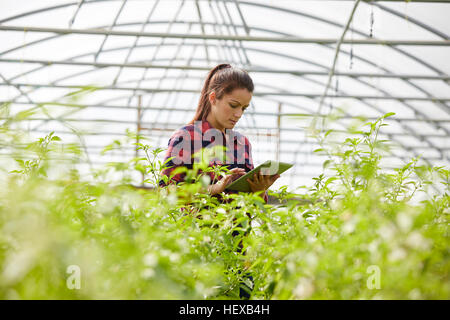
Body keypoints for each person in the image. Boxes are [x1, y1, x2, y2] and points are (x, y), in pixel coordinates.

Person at [159, 63, 280, 299]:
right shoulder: (186, 138)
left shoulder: (242, 144)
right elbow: (167, 194)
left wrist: (259, 190)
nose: (238, 114)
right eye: (233, 105)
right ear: (213, 98)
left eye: (244, 109)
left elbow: (252, 204)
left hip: (238, 250)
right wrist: (215, 187)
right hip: (199, 249)